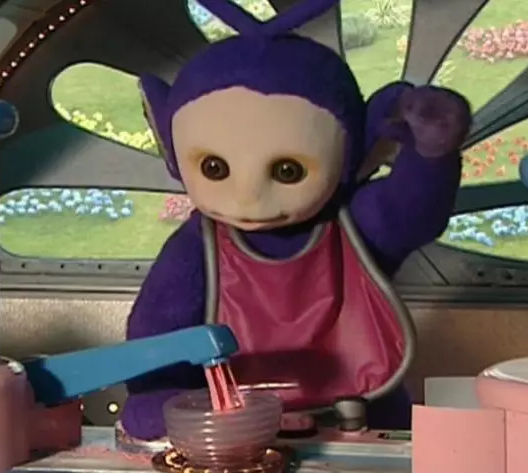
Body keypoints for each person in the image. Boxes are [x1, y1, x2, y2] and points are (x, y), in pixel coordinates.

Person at [120, 0, 471, 440]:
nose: (247, 197)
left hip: (360, 417)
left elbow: (411, 213)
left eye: (288, 171)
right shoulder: (198, 247)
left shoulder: (350, 223)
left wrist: (430, 160)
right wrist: (161, 396)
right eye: (214, 168)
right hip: (239, 429)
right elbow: (158, 330)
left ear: (355, 152)